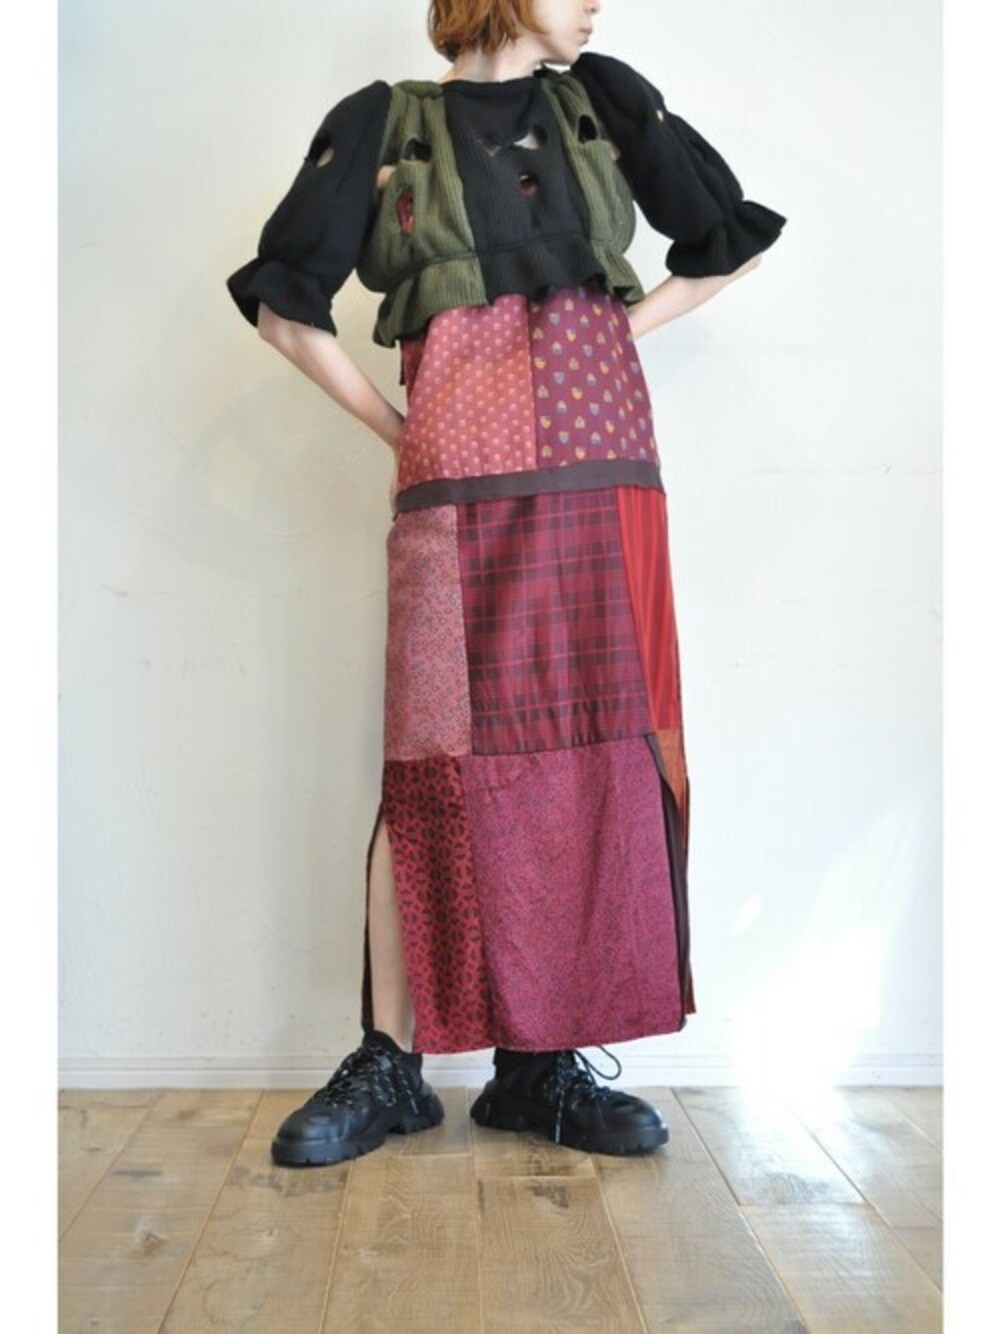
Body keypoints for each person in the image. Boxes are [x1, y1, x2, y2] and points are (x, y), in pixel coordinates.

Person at [225, 0, 786, 1165]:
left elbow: (722, 239)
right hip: (455, 483)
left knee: (595, 747)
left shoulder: (608, 102)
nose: (596, 4)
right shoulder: (384, 124)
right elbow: (285, 310)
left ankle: (540, 1063)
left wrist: (619, 332)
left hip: (604, 472)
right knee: (430, 756)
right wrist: (403, 435)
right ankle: (391, 1061)